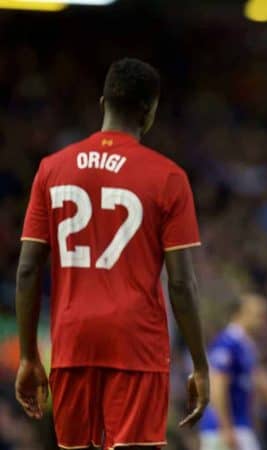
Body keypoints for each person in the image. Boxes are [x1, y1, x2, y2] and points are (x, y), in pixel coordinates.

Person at [14, 58, 209, 450]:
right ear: (149, 109)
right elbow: (182, 283)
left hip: (72, 342)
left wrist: (28, 355)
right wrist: (200, 365)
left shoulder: (52, 170)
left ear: (103, 102)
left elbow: (27, 270)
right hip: (136, 344)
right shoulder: (167, 177)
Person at [199, 293, 267, 450]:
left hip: (238, 427)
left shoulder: (246, 346)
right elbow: (217, 386)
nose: (264, 321)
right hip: (225, 429)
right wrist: (226, 428)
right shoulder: (227, 343)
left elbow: (264, 387)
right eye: (259, 315)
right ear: (239, 315)